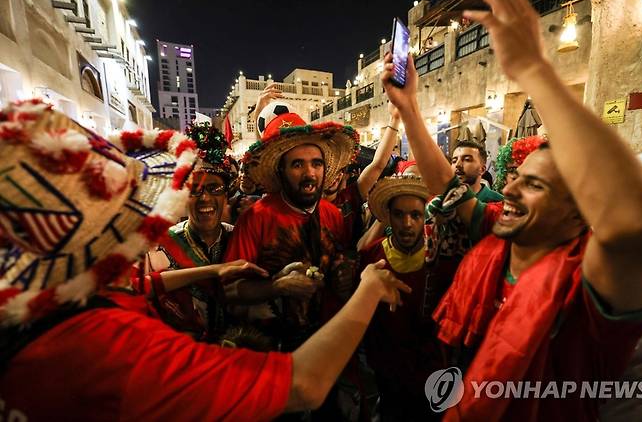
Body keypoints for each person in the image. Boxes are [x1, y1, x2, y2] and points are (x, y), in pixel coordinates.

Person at [0, 102, 411, 420]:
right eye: (133, 214)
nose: (148, 227)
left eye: (316, 163)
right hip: (270, 363)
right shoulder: (116, 346)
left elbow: (148, 286)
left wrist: (341, 280)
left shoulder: (48, 306)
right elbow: (302, 383)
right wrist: (366, 288)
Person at [381, 0, 642, 420]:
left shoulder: (593, 282)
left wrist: (534, 69)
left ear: (578, 210)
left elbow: (637, 223)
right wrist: (410, 109)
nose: (508, 189)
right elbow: (445, 186)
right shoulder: (495, 234)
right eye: (517, 180)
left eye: (535, 186)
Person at [223, 103, 360, 350]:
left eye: (316, 163)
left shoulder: (332, 214)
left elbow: (340, 263)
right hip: (273, 351)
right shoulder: (256, 218)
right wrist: (276, 286)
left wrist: (344, 274)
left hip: (326, 344)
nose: (310, 173)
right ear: (281, 171)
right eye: (297, 164)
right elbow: (229, 290)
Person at [135, 122, 238, 341]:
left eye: (214, 188)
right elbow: (140, 294)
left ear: (226, 195)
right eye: (195, 190)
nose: (205, 199)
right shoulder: (156, 246)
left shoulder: (239, 237)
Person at [359, 175, 444, 421]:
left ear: (424, 216)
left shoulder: (441, 257)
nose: (407, 223)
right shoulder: (371, 257)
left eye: (415, 215)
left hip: (432, 373)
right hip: (387, 373)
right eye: (399, 215)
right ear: (388, 217)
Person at [324, 101, 401, 247]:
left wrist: (395, 119)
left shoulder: (349, 197)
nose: (334, 176)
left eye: (339, 170)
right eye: (328, 169)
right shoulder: (306, 207)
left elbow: (378, 164)